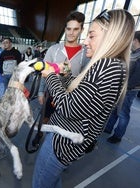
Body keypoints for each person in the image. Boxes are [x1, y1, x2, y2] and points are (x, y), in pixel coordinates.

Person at [32, 9, 135, 188]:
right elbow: (83, 94)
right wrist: (65, 76)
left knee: (40, 183)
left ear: (110, 37)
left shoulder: (105, 66)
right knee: (52, 181)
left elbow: (70, 108)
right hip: (68, 139)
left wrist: (50, 76)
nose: (85, 41)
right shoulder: (115, 64)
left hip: (62, 142)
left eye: (91, 36)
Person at [104, 31, 140, 143]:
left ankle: (118, 136)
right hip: (122, 88)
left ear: (136, 40)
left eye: (131, 40)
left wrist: (125, 87)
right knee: (114, 110)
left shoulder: (139, 56)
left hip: (129, 90)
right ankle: (108, 128)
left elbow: (137, 77)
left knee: (123, 113)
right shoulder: (133, 53)